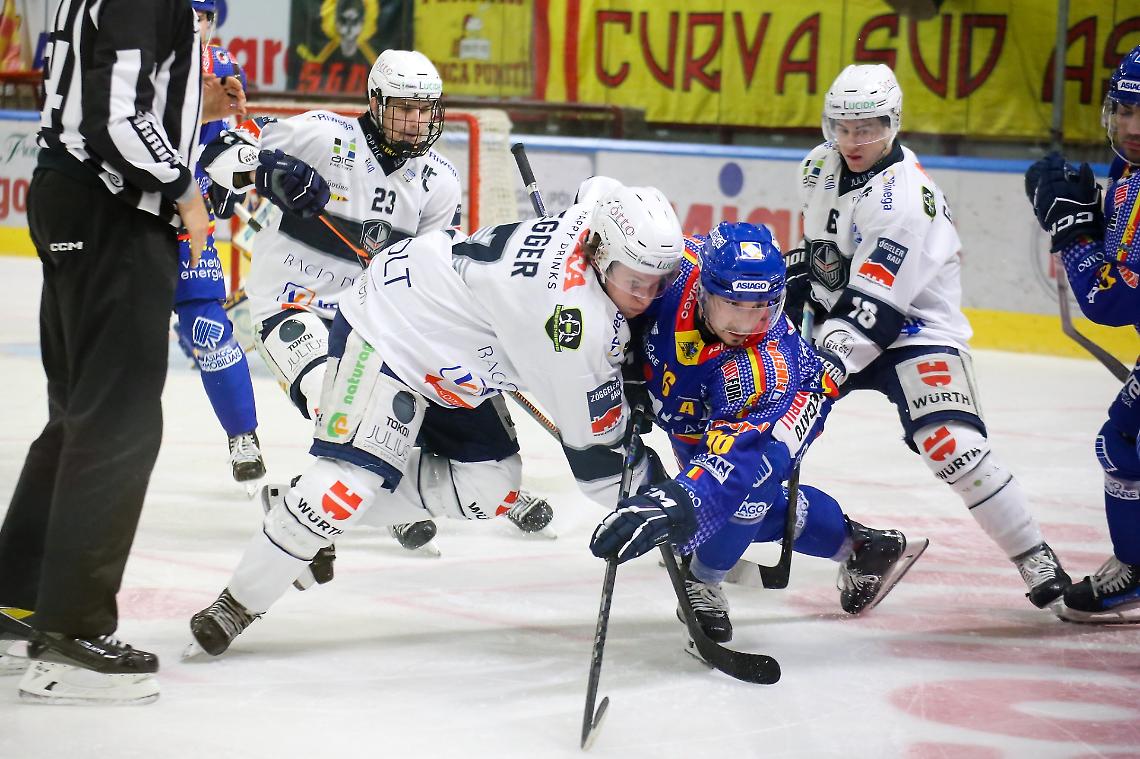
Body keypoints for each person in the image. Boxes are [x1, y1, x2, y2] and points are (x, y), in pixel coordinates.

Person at [185, 178, 683, 657]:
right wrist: (676, 509)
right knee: (343, 488)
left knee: (492, 486)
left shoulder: (596, 217)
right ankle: (239, 602)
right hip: (390, 327)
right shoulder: (574, 329)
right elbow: (600, 470)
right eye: (633, 282)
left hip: (457, 353)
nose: (645, 297)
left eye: (655, 283)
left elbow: (597, 187)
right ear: (599, 253)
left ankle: (295, 507)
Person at [203, 49, 552, 575]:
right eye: (404, 108)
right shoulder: (321, 135)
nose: (416, 121)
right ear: (374, 101)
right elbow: (220, 150)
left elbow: (435, 276)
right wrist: (270, 169)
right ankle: (367, 503)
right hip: (292, 305)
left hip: (373, 323)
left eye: (425, 109)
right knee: (338, 401)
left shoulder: (438, 180)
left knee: (417, 402)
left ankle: (322, 496)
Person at [778, 63, 1069, 610]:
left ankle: (1033, 554)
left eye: (867, 128)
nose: (852, 141)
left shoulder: (906, 202)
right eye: (842, 127)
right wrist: (796, 286)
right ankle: (858, 547)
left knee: (951, 445)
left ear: (893, 123)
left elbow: (878, 308)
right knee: (764, 432)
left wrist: (823, 368)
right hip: (840, 321)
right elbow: (825, 250)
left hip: (913, 330)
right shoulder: (818, 166)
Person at [0, 0, 206, 704]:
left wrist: (186, 106)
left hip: (69, 197)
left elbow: (100, 87)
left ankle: (17, 600)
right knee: (117, 421)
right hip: (111, 213)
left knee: (79, 415)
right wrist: (186, 192)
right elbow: (115, 119)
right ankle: (72, 635)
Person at [588, 222, 928, 643]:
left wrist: (675, 506)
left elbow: (727, 467)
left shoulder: (760, 368)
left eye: (761, 307)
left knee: (742, 489)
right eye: (733, 305)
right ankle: (862, 546)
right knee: (709, 505)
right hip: (697, 399)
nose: (746, 323)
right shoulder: (676, 267)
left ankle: (704, 582)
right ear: (703, 291)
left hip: (786, 403)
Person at [1024, 44, 1140, 623]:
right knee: (1120, 441)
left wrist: (1071, 229)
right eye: (1126, 110)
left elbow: (1111, 300)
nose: (1133, 127)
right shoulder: (1129, 170)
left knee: (1120, 442)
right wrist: (1082, 213)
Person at [174, 0, 266, 494]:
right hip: (127, 222)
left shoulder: (223, 66)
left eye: (202, 16)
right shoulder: (136, 60)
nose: (194, 24)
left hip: (186, 226)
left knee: (207, 330)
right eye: (186, 12)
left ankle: (242, 436)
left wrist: (229, 174)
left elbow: (233, 132)